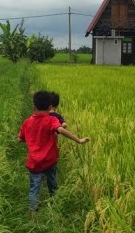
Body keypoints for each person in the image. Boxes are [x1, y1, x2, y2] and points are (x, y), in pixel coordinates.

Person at [18, 89, 89, 219]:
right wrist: (79, 140)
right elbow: (61, 130)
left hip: (34, 163)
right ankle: (56, 206)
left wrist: (27, 138)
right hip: (50, 161)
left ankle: (32, 214)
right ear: (50, 107)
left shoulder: (27, 122)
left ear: (33, 106)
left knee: (34, 187)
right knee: (52, 183)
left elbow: (20, 138)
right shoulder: (51, 120)